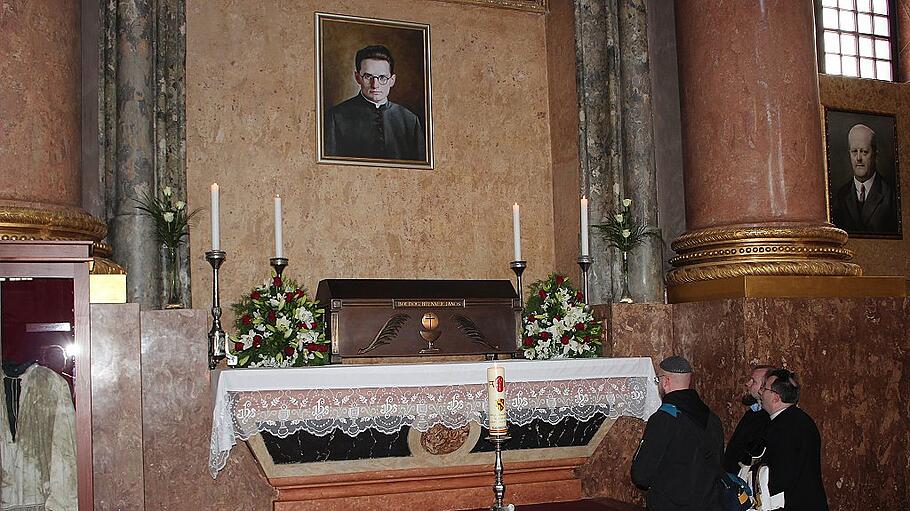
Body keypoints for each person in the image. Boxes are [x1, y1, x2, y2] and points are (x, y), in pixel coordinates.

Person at [632, 356, 724, 511]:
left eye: (658, 380)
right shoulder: (712, 418)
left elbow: (641, 475)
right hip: (709, 504)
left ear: (666, 381)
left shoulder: (664, 419)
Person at [324, 45, 426, 161]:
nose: (375, 85)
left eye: (382, 77)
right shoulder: (335, 117)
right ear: (357, 78)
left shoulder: (410, 121)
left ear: (392, 80)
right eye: (368, 77)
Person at [756, 368, 829, 510]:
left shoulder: (784, 427)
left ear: (776, 397)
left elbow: (780, 475)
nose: (760, 392)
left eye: (764, 388)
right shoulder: (798, 419)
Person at [830, 123, 898, 234]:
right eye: (854, 151)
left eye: (864, 152)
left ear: (875, 155)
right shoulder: (840, 196)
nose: (858, 158)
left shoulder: (891, 195)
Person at [723, 365, 772, 474]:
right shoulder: (753, 412)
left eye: (753, 381)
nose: (747, 384)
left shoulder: (768, 418)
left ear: (764, 387)